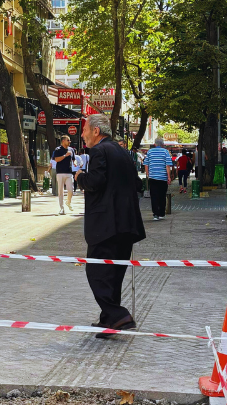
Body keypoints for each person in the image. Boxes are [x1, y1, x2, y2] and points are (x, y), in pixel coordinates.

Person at [75, 114, 145, 335]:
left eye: (85, 129)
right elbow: (137, 184)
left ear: (96, 131)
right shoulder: (123, 152)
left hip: (106, 225)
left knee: (96, 272)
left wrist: (79, 177)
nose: (83, 134)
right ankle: (109, 319)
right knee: (114, 273)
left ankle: (119, 315)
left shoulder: (99, 151)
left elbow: (95, 182)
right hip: (126, 224)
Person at [143, 138, 174, 220]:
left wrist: (148, 174)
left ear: (155, 144)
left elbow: (146, 164)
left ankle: (155, 214)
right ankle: (162, 213)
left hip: (153, 177)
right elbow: (168, 165)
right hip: (163, 177)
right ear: (162, 144)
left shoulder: (150, 152)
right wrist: (169, 177)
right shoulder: (165, 152)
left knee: (154, 196)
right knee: (162, 195)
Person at [52, 135, 75, 214]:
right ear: (63, 141)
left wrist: (75, 163)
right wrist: (65, 155)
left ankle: (68, 202)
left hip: (69, 172)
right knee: (60, 191)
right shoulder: (58, 150)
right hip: (60, 172)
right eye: (68, 140)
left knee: (70, 190)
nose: (69, 142)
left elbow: (73, 159)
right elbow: (56, 160)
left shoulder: (71, 150)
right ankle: (62, 208)